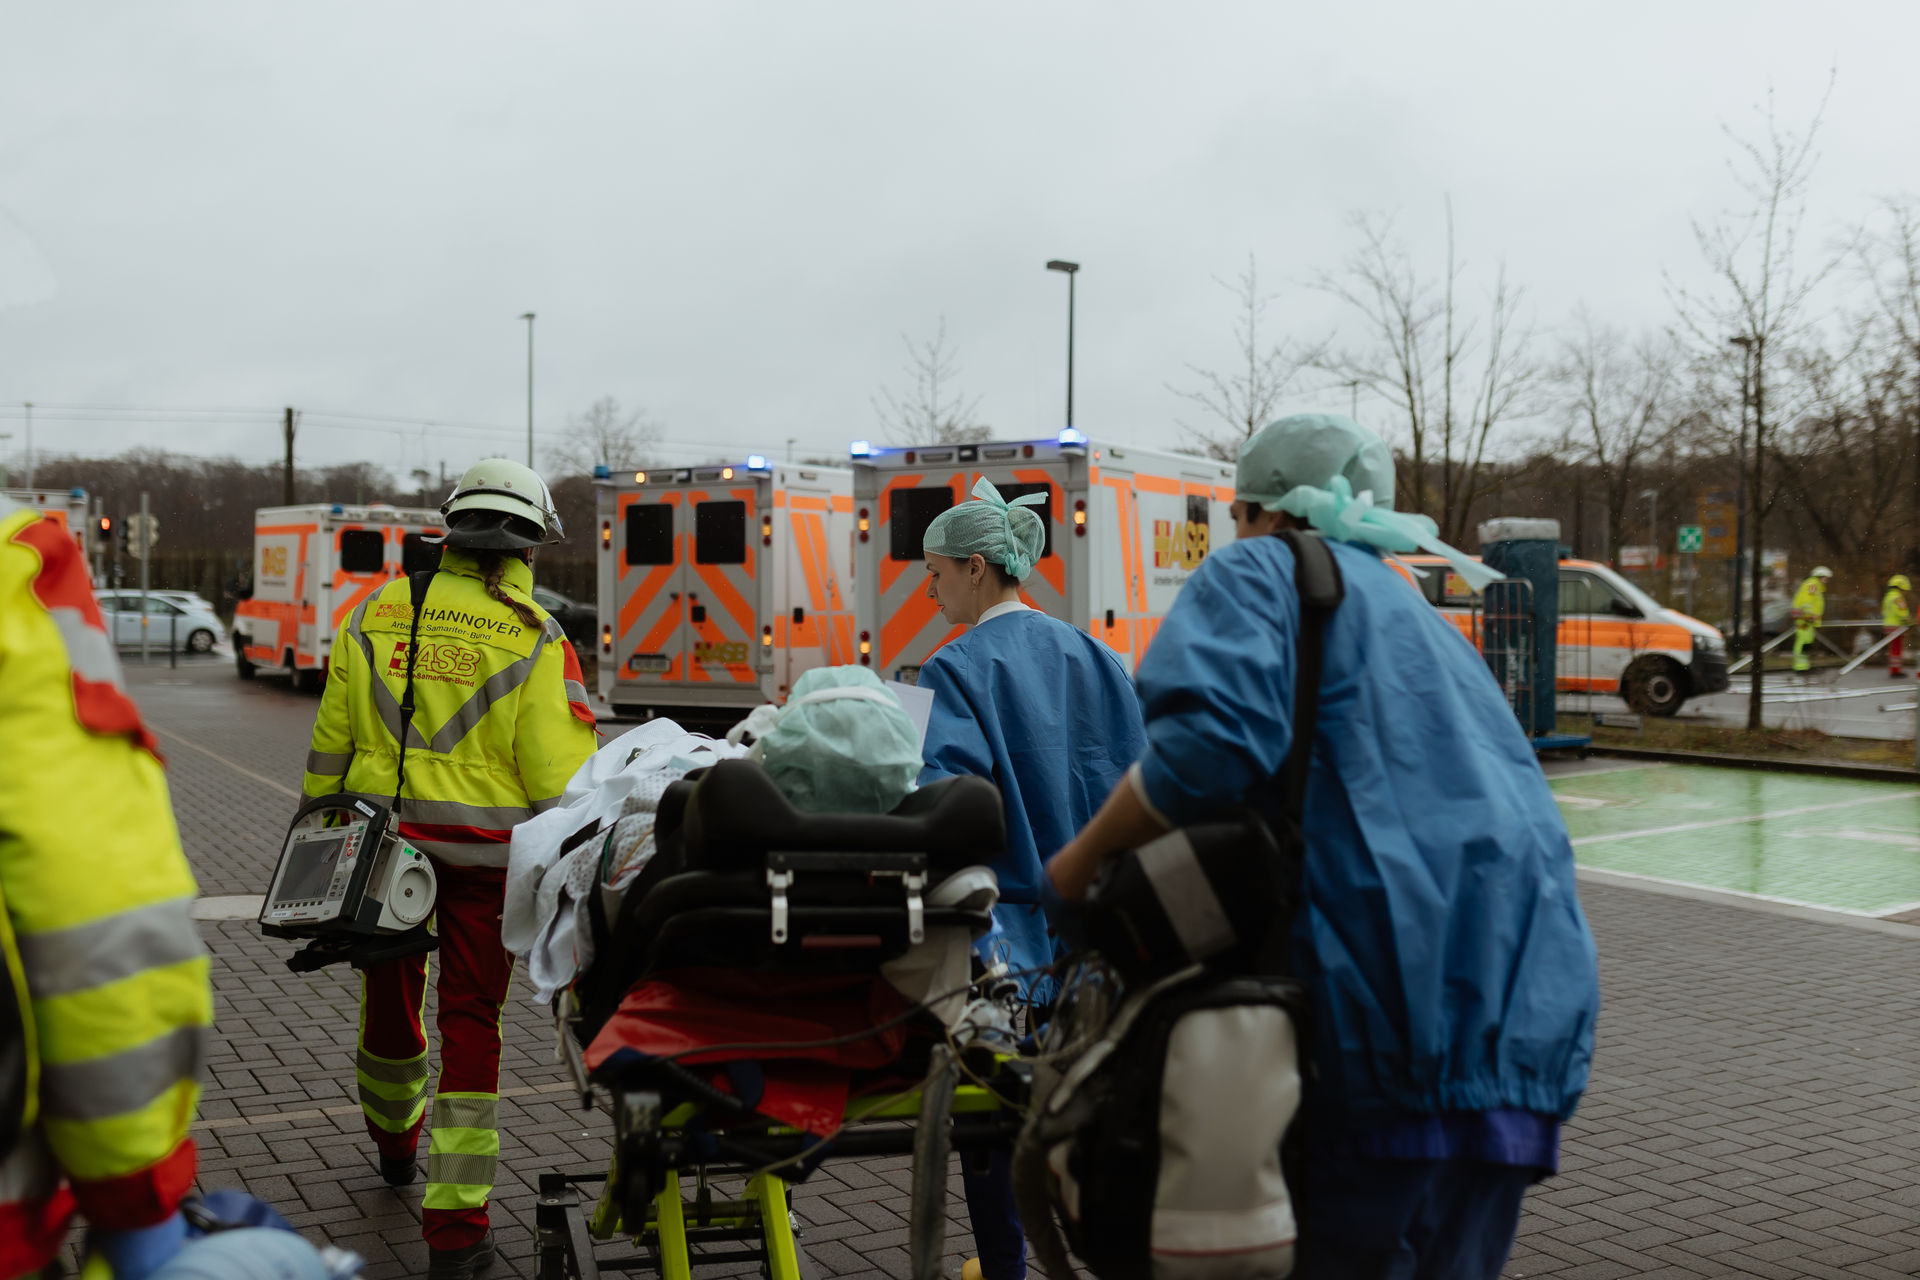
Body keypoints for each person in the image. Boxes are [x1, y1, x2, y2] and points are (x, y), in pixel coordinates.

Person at [1047, 414, 1601, 1280]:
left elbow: (1206, 753)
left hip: (1379, 1028)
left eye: (1235, 516)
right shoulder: (1424, 622)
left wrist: (1073, 869)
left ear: (1266, 513)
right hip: (1525, 1035)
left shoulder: (1262, 570)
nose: (1233, 535)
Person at [302, 459, 598, 1278]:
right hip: (484, 864)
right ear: (527, 545)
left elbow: (331, 743)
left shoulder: (373, 613)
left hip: (383, 850)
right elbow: (558, 783)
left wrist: (323, 836)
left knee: (389, 1009)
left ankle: (395, 1143)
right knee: (472, 1025)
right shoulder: (535, 635)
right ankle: (457, 1232)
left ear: (452, 531)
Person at [914, 478, 1147, 1280]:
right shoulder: (1099, 656)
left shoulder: (950, 669)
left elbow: (936, 806)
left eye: (936, 573)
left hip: (1006, 951)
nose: (929, 589)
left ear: (976, 569)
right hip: (1103, 942)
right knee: (1098, 1119)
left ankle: (1006, 1267)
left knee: (994, 1125)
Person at [1791, 565, 1832, 675]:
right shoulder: (1812, 585)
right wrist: (1809, 615)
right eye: (1825, 577)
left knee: (1806, 642)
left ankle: (1803, 666)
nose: (1826, 580)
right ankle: (1800, 667)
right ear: (1820, 577)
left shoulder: (1814, 585)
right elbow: (1807, 601)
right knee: (1803, 642)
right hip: (1805, 619)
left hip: (1806, 619)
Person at [1883, 574, 1911, 678]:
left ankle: (1894, 669)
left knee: (1893, 649)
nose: (1905, 593)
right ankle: (1895, 671)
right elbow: (1902, 612)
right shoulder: (1897, 598)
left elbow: (1884, 611)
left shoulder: (1888, 597)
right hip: (1896, 627)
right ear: (1900, 588)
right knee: (1896, 650)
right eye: (1904, 590)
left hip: (1888, 625)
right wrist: (1907, 621)